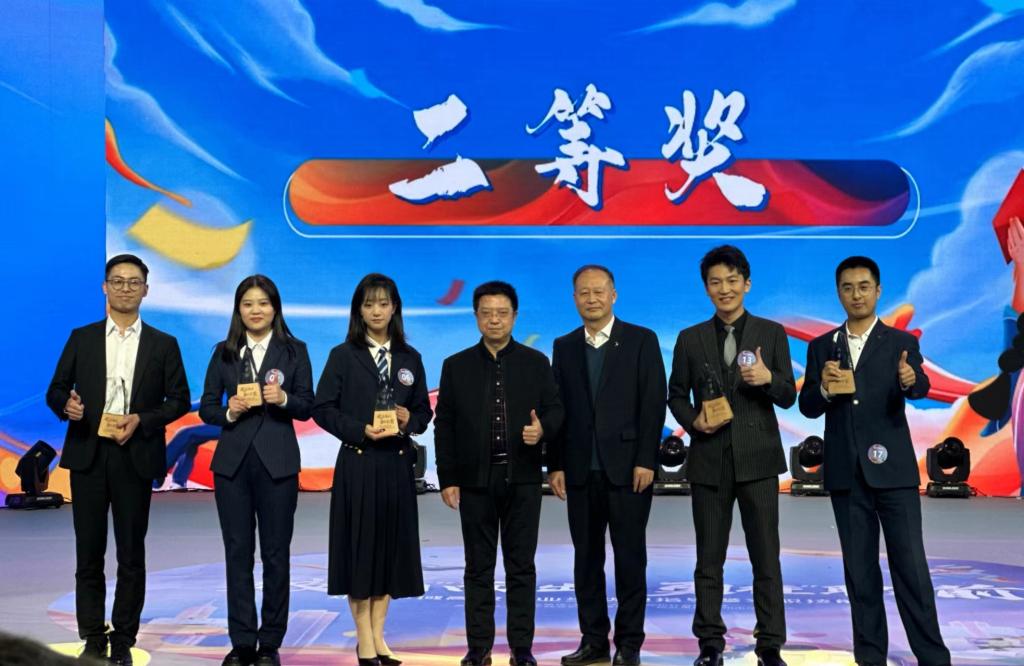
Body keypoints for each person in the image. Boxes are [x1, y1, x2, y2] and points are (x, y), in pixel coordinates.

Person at [798, 256, 950, 666]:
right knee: (860, 574)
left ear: (878, 291)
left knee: (911, 570)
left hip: (894, 474)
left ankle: (933, 657)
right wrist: (825, 390)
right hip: (847, 475)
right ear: (838, 293)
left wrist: (910, 381)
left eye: (864, 286)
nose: (856, 295)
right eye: (847, 288)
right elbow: (808, 405)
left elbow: (920, 385)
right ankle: (869, 657)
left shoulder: (901, 343)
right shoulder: (821, 347)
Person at [46, 254, 190, 665]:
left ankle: (124, 637)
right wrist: (67, 406)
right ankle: (93, 637)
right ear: (104, 287)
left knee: (131, 554)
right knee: (88, 553)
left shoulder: (164, 344)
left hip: (135, 455)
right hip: (89, 456)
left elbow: (179, 400)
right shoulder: (82, 338)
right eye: (118, 281)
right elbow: (56, 389)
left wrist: (141, 419)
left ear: (146, 289)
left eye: (133, 282)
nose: (125, 288)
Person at [667, 245, 793, 666]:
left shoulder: (771, 333)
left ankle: (770, 644)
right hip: (709, 459)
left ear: (747, 284)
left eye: (732, 280)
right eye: (715, 282)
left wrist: (768, 378)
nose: (725, 289)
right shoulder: (690, 338)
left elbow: (788, 395)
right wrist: (694, 421)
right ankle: (709, 643)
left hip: (758, 459)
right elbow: (675, 395)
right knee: (709, 559)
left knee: (766, 557)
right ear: (706, 288)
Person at [433, 281, 564, 666]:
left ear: (515, 316)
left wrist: (542, 430)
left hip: (522, 479)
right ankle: (479, 648)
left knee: (521, 567)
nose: (494, 320)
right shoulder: (455, 366)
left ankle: (522, 649)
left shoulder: (536, 362)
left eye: (502, 313)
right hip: (475, 482)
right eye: (487, 313)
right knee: (478, 568)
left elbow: (556, 411)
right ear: (476, 317)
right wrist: (448, 477)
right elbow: (444, 425)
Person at [313, 274, 433, 666]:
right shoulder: (342, 356)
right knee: (360, 552)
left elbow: (424, 412)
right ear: (358, 311)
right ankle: (364, 639)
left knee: (389, 553)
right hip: (359, 463)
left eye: (383, 303)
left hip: (397, 466)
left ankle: (379, 637)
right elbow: (322, 408)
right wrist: (359, 430)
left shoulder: (410, 358)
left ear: (395, 308)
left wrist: (410, 419)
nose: (377, 311)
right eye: (369, 305)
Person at [549, 265, 665, 666]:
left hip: (629, 469)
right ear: (574, 298)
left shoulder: (641, 340)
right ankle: (593, 640)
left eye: (599, 291)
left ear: (614, 295)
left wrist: (646, 459)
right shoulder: (564, 346)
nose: (592, 299)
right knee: (586, 560)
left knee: (630, 558)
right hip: (580, 470)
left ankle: (629, 644)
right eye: (583, 292)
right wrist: (555, 464)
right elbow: (557, 408)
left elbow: (653, 402)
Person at [199, 274, 314, 666]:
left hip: (278, 464)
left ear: (275, 308)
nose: (256, 310)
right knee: (237, 554)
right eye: (248, 304)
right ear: (238, 309)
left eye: (263, 303)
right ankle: (242, 642)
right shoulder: (224, 352)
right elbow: (207, 408)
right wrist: (229, 411)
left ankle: (270, 643)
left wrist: (283, 398)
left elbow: (307, 405)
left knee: (276, 554)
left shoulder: (294, 351)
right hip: (232, 465)